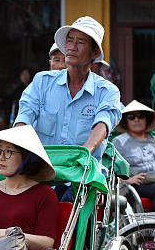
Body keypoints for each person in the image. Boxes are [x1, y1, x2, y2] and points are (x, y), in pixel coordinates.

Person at [14, 17, 121, 161]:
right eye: (70, 40)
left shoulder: (107, 91)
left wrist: (83, 155)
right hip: (41, 169)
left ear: (95, 53)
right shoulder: (42, 81)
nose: (72, 47)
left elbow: (104, 123)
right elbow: (25, 117)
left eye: (80, 42)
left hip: (83, 174)